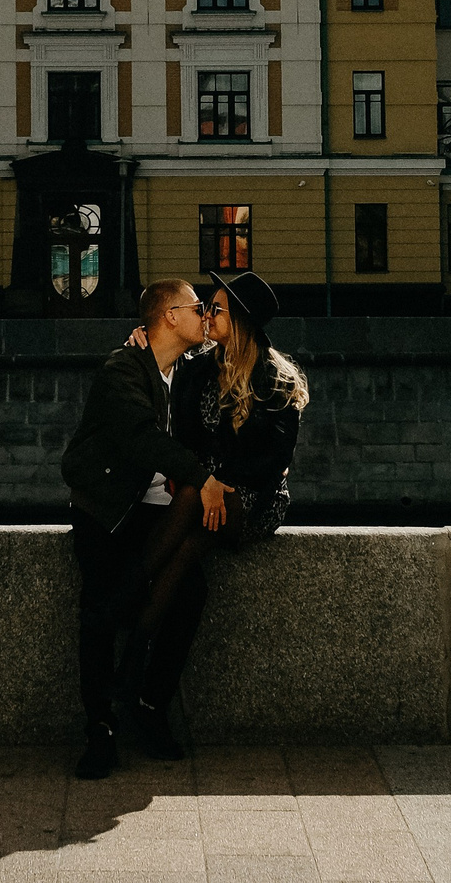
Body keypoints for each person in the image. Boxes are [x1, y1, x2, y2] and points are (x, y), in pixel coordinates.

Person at [60, 278, 229, 779]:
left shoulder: (195, 370)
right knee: (100, 606)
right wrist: (204, 479)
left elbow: (244, 349)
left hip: (162, 509)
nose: (204, 315)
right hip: (109, 507)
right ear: (169, 316)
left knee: (190, 593)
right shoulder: (122, 368)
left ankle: (150, 705)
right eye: (197, 307)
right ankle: (100, 728)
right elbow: (139, 435)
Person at [123, 270, 309, 651]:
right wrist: (140, 340)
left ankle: (126, 599)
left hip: (256, 498)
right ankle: (133, 648)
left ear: (239, 321)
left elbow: (273, 465)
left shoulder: (277, 381)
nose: (206, 315)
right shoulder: (201, 368)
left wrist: (214, 481)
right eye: (205, 307)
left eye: (216, 310)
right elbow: (164, 367)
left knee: (196, 505)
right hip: (204, 490)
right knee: (190, 538)